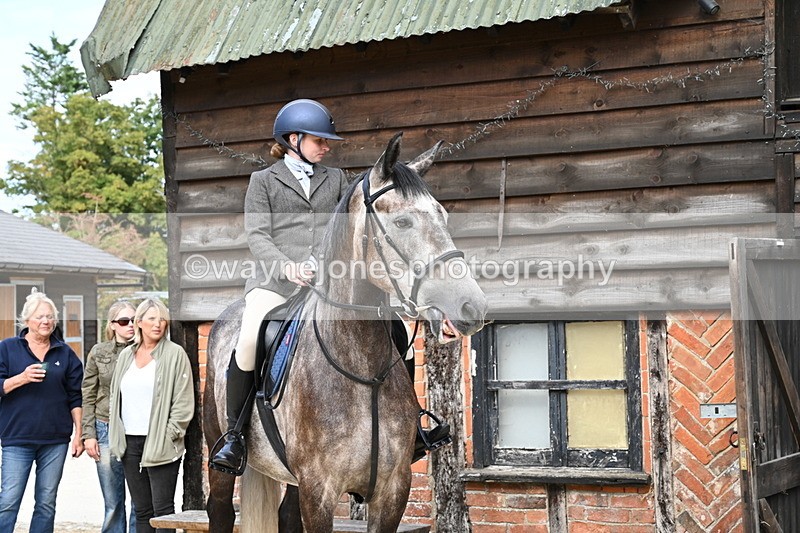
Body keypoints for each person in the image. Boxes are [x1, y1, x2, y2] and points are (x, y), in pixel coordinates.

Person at [209, 98, 451, 474]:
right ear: (293, 139)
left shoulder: (336, 179)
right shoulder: (263, 181)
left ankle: (412, 422)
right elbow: (257, 235)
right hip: (276, 283)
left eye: (327, 142)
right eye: (319, 140)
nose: (326, 147)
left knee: (399, 329)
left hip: (329, 281)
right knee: (249, 337)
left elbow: (350, 228)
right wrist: (286, 267)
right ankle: (236, 436)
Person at [0, 289, 84, 533]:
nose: (45, 321)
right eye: (39, 317)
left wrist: (78, 433)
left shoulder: (65, 353)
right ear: (26, 321)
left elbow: (75, 396)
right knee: (8, 501)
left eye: (49, 316)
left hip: (55, 440)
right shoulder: (7, 348)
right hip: (17, 438)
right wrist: (22, 378)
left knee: (46, 503)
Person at [108, 298, 193, 533]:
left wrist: (170, 435)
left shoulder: (175, 354)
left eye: (162, 319)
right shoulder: (126, 356)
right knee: (142, 510)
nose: (158, 324)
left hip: (160, 442)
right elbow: (116, 396)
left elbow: (183, 402)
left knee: (163, 511)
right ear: (139, 322)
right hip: (130, 443)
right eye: (152, 318)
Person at [82, 301, 137, 533]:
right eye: (124, 321)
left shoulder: (147, 350)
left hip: (137, 429)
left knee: (140, 501)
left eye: (135, 319)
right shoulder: (99, 352)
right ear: (113, 325)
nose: (131, 325)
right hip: (105, 427)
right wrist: (88, 434)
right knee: (113, 502)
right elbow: (88, 393)